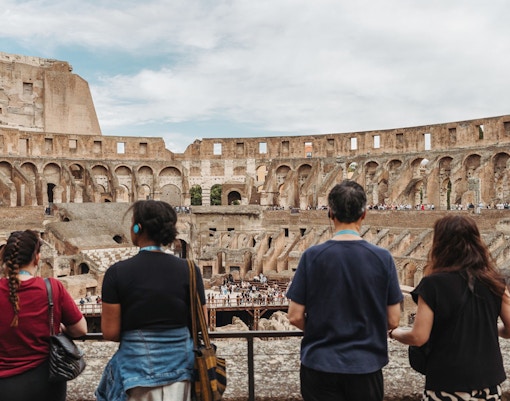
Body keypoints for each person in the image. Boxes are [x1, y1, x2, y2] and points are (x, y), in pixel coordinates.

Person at [287, 180, 403, 401]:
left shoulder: (312, 257)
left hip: (320, 365)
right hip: (365, 366)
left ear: (330, 213)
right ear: (364, 214)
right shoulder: (382, 258)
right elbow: (394, 320)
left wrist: (320, 331)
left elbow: (294, 316)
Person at [389, 214, 510, 401]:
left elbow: (419, 337)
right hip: (488, 384)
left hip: (447, 383)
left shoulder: (433, 284)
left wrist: (393, 333)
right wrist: (486, 327)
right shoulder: (494, 281)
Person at [96, 200, 207, 401]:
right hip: (182, 370)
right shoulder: (190, 270)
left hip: (135, 373)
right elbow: (201, 323)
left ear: (137, 228)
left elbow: (110, 332)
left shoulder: (116, 273)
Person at [0, 230, 87, 401]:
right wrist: (57, 325)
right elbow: (81, 329)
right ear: (37, 258)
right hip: (46, 382)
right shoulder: (52, 288)